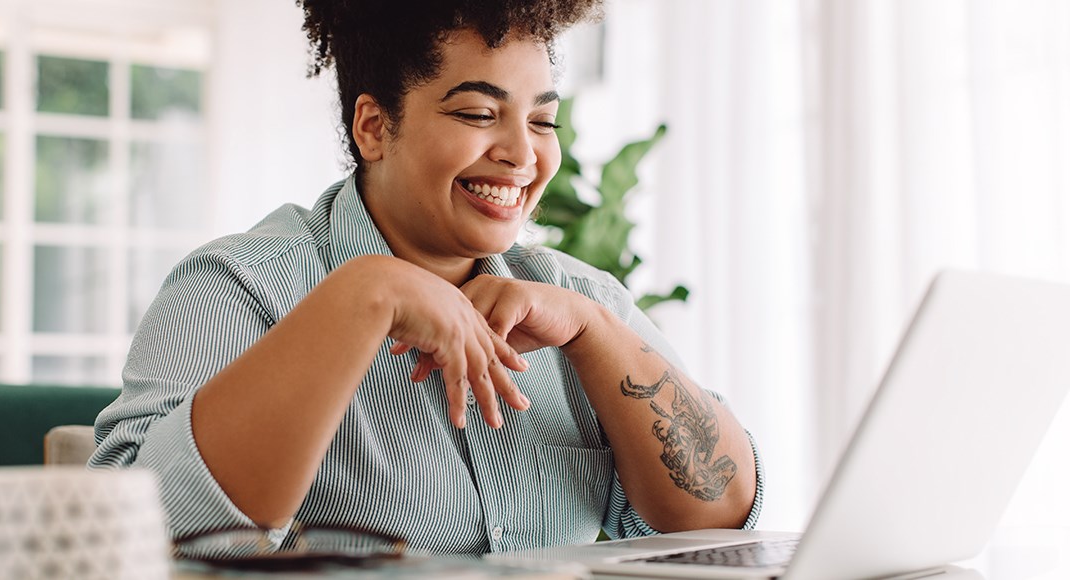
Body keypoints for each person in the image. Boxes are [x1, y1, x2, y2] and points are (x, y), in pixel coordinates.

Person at [91, 0, 763, 556]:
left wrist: (595, 335)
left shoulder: (580, 302)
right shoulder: (234, 288)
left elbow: (720, 524)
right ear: (375, 127)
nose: (522, 154)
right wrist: (365, 295)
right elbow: (135, 539)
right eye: (477, 113)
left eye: (542, 120)